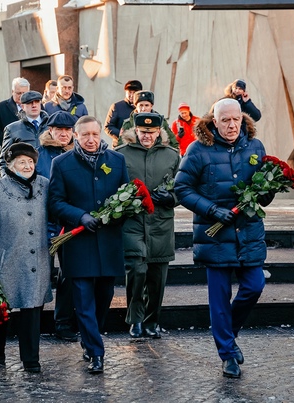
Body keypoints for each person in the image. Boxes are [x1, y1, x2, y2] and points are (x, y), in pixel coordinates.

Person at [174, 98, 274, 378]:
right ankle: (227, 354)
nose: (231, 125)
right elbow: (181, 188)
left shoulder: (255, 146)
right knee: (219, 299)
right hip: (214, 237)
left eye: (236, 120)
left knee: (254, 286)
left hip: (248, 232)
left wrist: (267, 191)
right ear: (214, 121)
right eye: (225, 120)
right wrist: (212, 210)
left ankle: (229, 333)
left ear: (242, 120)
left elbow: (263, 187)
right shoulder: (198, 149)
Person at [48, 115, 129, 374]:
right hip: (78, 242)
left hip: (108, 241)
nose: (91, 140)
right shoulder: (61, 163)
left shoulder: (117, 160)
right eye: (85, 135)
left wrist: (118, 212)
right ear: (75, 135)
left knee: (104, 296)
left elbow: (126, 195)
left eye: (95, 134)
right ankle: (96, 352)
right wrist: (79, 216)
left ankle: (89, 336)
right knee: (82, 300)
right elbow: (55, 202)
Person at [0, 142, 52, 373]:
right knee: (1, 311)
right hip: (6, 260)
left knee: (32, 310)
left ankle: (31, 359)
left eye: (30, 162)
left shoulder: (45, 185)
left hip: (37, 260)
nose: (27, 166)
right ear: (10, 165)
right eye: (21, 162)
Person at [116, 112, 180, 339]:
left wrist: (172, 198)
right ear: (135, 131)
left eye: (152, 133)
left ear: (159, 132)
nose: (147, 137)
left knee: (157, 277)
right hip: (132, 222)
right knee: (136, 271)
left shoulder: (171, 155)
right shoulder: (121, 155)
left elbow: (182, 187)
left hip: (160, 224)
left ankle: (152, 320)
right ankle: (135, 320)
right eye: (143, 132)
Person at [36, 111, 78, 342]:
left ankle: (63, 322)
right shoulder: (39, 154)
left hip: (70, 224)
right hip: (43, 223)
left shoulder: (79, 154)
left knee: (69, 274)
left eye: (68, 130)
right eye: (59, 130)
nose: (63, 134)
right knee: (41, 273)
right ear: (50, 130)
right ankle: (35, 320)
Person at [0, 90, 48, 176]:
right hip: (23, 179)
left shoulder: (51, 127)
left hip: (49, 179)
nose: (34, 105)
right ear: (22, 106)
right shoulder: (12, 129)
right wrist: (7, 182)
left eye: (37, 102)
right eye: (29, 103)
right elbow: (4, 161)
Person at [104, 80, 142, 146]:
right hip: (120, 146)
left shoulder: (143, 107)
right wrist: (123, 135)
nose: (132, 95)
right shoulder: (116, 106)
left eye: (135, 92)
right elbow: (108, 127)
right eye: (130, 92)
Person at [0, 77, 30, 145]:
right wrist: (6, 143)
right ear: (12, 92)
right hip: (10, 149)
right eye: (18, 93)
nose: (21, 96)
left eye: (24, 93)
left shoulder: (36, 106)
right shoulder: (1, 107)